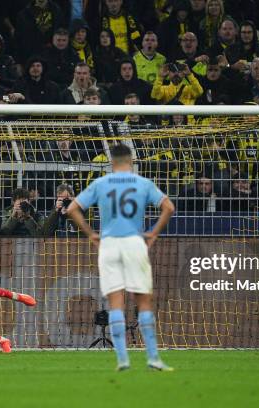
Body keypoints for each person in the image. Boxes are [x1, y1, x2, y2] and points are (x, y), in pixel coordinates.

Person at [67, 144, 176, 371]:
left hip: (109, 245)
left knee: (115, 301)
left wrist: (90, 234)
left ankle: (122, 359)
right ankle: (153, 358)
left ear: (111, 162)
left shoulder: (101, 183)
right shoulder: (142, 183)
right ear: (131, 161)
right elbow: (168, 207)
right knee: (143, 301)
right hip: (133, 242)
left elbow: (71, 209)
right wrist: (154, 233)